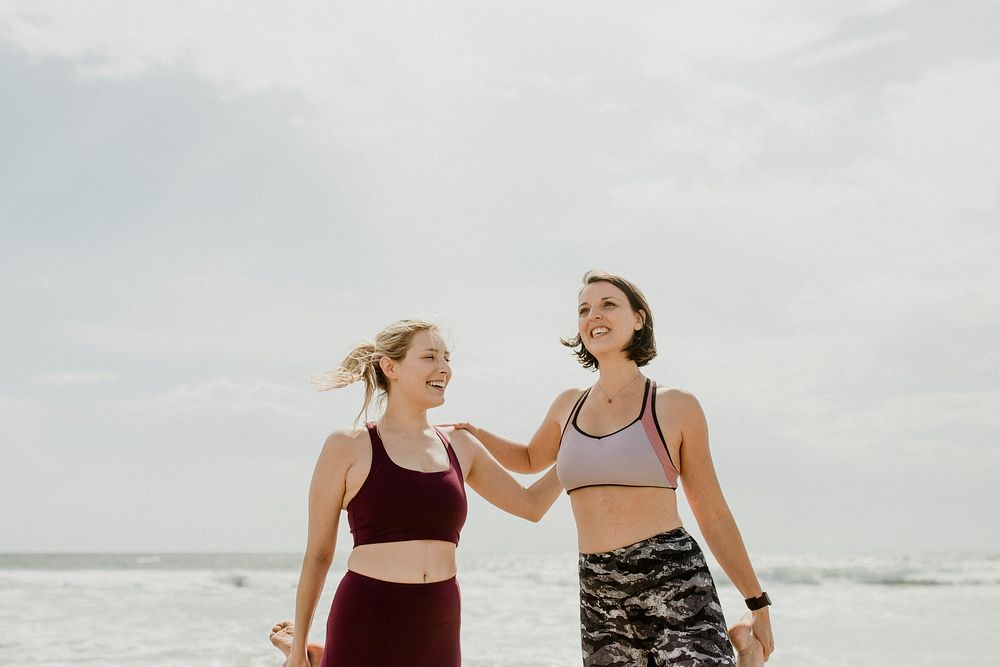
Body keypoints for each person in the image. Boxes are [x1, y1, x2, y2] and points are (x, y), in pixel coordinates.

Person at [450, 271, 774, 666]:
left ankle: (749, 654)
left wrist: (757, 601)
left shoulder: (674, 406)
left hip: (669, 575)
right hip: (599, 584)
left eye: (607, 305)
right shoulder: (568, 404)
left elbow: (713, 512)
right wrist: (474, 433)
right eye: (584, 309)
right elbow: (530, 459)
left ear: (638, 318)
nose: (593, 315)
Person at [274, 319, 562, 667]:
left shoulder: (460, 444)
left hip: (438, 619)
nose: (444, 369)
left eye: (446, 358)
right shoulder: (347, 446)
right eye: (429, 357)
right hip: (368, 616)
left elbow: (530, 505)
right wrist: (296, 651)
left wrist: (578, 456)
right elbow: (319, 555)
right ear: (390, 367)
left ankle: (324, 657)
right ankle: (316, 654)